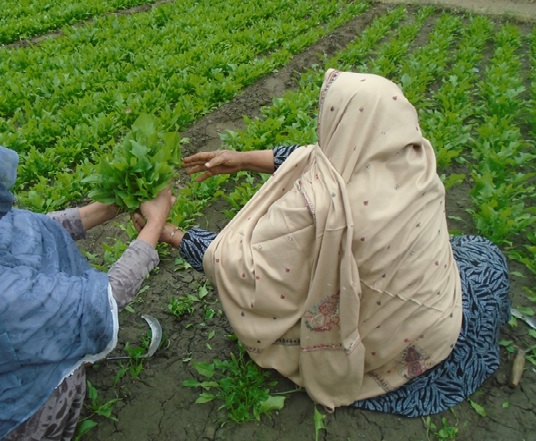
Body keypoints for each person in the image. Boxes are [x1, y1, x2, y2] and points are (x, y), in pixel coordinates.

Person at [136, 68, 511, 417]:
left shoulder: (320, 209)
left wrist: (165, 231)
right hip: (436, 315)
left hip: (385, 347)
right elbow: (320, 158)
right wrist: (245, 159)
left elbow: (246, 269)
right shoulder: (415, 158)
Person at [0, 131, 174, 440]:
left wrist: (107, 208)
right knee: (60, 378)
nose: (6, 207)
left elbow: (24, 229)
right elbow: (101, 301)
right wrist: (155, 225)